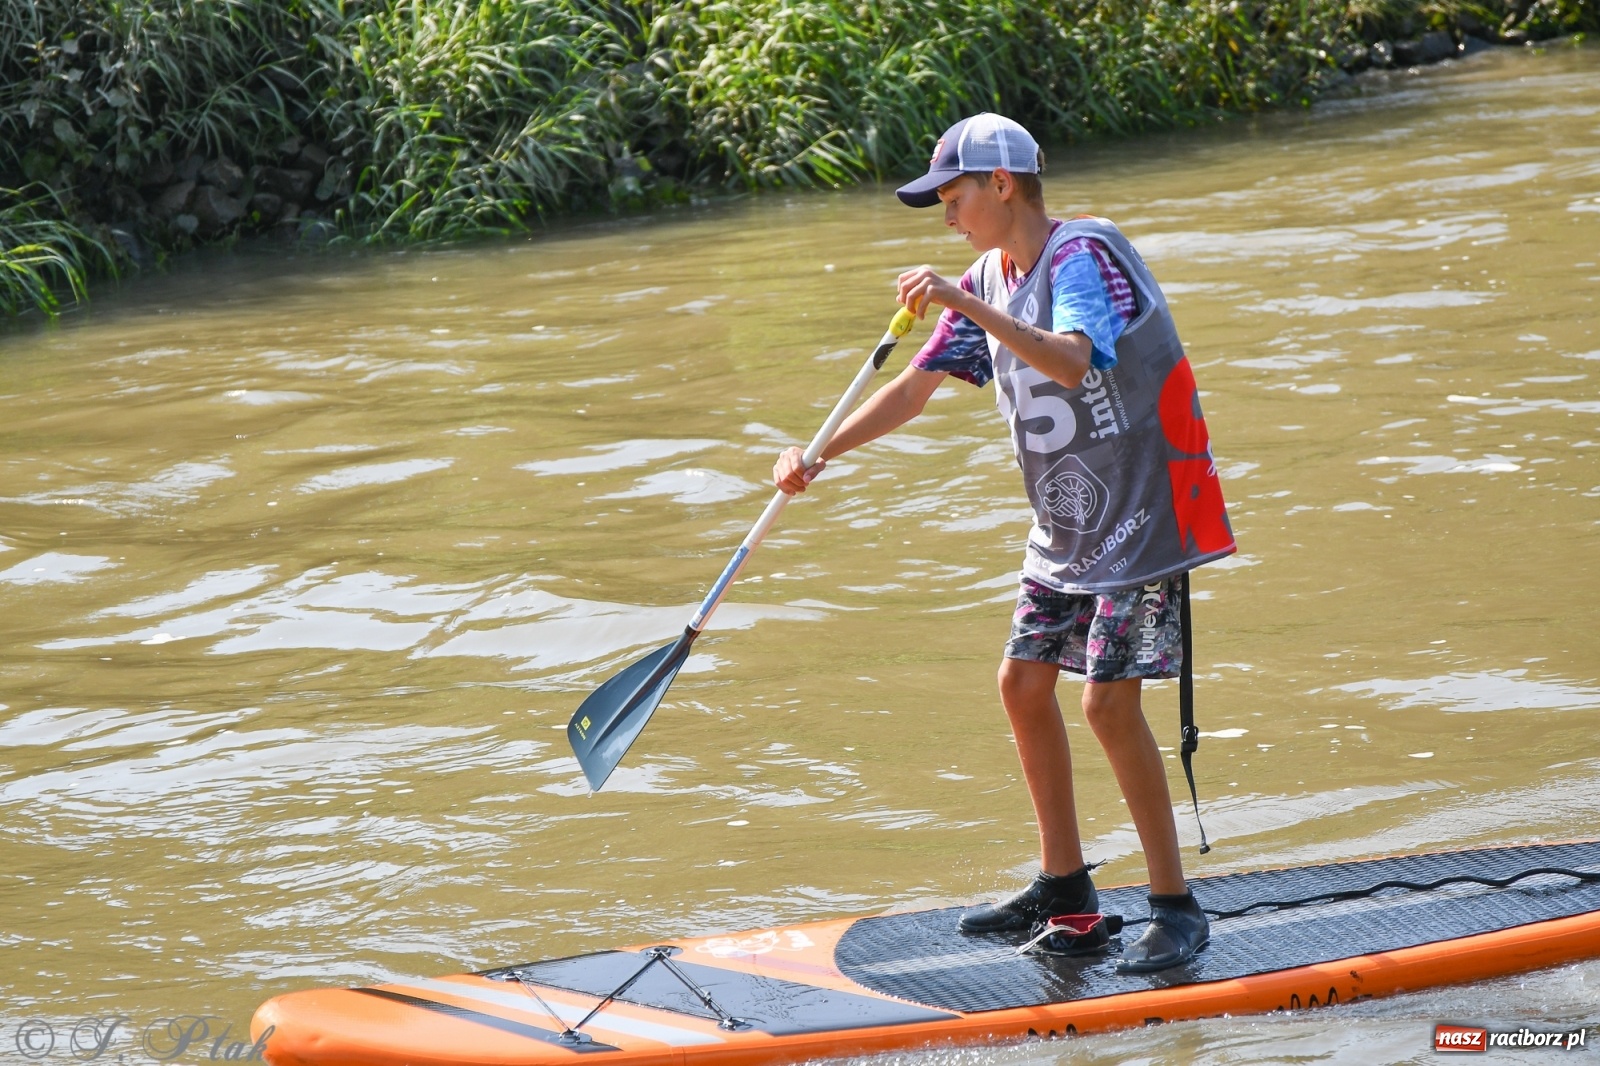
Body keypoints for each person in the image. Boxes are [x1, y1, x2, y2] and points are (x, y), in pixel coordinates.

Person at [772, 113, 1236, 972]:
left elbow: (1071, 358)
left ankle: (1175, 904)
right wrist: (819, 455)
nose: (945, 215)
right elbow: (914, 391)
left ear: (1003, 184)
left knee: (1106, 703)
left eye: (952, 195)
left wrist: (959, 299)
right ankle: (1068, 889)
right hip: (1068, 526)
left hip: (1141, 517)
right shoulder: (988, 273)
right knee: (1022, 684)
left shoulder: (1081, 255)